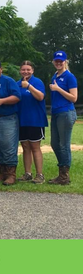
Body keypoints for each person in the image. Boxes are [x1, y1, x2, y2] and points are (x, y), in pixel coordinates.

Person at [49, 50, 78, 185]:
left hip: (66, 112)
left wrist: (58, 89)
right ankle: (62, 170)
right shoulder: (54, 76)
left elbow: (74, 98)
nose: (58, 63)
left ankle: (64, 176)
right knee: (54, 144)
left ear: (65, 62)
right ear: (53, 62)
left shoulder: (69, 77)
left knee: (63, 144)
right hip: (56, 113)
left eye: (61, 61)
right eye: (56, 60)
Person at [17, 61, 48, 184]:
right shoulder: (17, 84)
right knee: (25, 147)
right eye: (23, 69)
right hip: (22, 120)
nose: (25, 72)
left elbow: (40, 97)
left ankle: (40, 175)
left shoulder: (37, 82)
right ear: (20, 71)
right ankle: (27, 173)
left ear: (32, 71)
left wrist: (28, 86)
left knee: (35, 147)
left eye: (28, 69)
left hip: (35, 120)